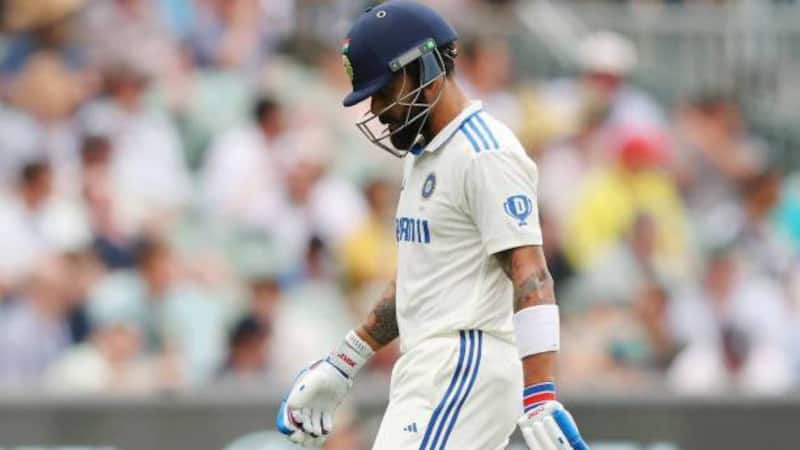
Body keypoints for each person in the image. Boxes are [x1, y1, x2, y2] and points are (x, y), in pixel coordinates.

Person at [276, 2, 589, 450]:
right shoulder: (427, 154)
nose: (379, 110)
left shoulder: (484, 151)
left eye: (385, 91)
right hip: (432, 365)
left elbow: (531, 270)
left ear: (426, 69)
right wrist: (345, 360)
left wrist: (540, 394)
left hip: (463, 362)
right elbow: (419, 281)